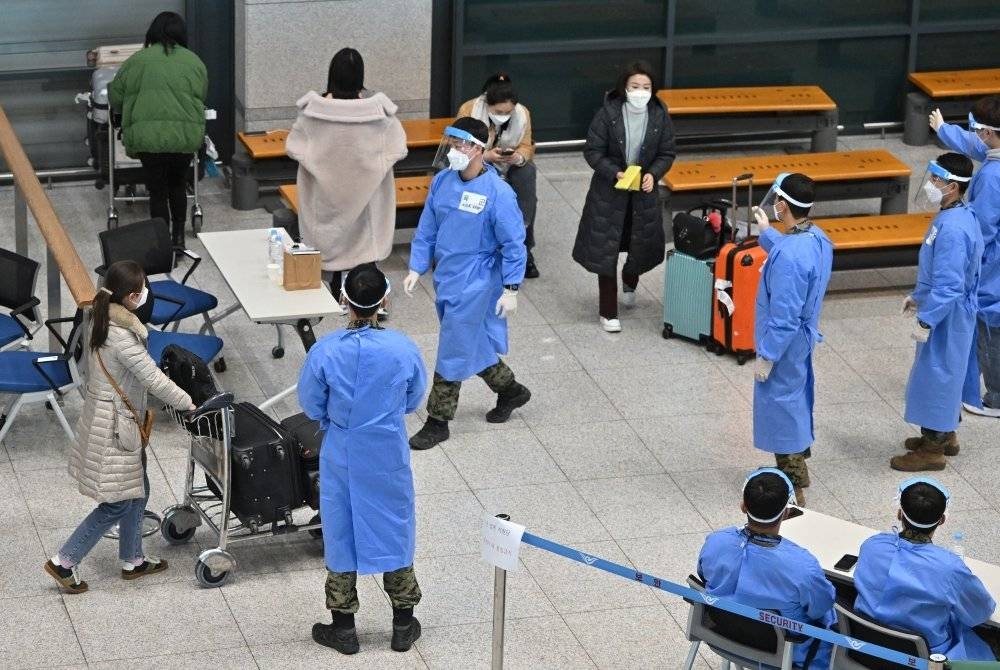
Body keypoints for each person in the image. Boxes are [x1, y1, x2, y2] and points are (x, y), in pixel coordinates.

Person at [298, 265, 427, 655]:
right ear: (384, 301)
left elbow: (310, 402)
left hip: (343, 450)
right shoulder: (403, 348)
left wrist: (337, 419)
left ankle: (344, 629)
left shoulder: (325, 352)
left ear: (343, 301)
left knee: (340, 531)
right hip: (386, 449)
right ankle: (403, 624)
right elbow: (414, 398)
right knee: (395, 526)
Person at [44, 261, 196, 594]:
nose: (146, 295)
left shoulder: (101, 316)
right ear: (129, 297)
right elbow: (153, 378)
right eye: (141, 290)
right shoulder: (123, 337)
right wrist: (189, 403)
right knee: (117, 502)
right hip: (117, 428)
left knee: (138, 489)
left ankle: (132, 559)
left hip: (107, 417)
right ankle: (64, 561)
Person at [403, 117, 529, 450]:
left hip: (479, 280)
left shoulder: (498, 193)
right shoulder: (443, 181)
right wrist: (417, 266)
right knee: (468, 339)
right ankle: (511, 390)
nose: (455, 150)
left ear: (478, 148)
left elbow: (515, 243)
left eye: (461, 144)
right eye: (452, 143)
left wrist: (511, 287)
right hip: (449, 275)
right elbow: (427, 228)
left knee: (453, 346)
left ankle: (438, 420)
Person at [287, 47, 407, 318]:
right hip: (366, 200)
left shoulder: (313, 113)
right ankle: (364, 291)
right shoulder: (379, 115)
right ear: (360, 79)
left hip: (325, 198)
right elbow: (398, 148)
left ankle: (330, 285)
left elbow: (294, 147)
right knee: (364, 241)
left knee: (327, 237)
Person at [892, 154, 983, 471]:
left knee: (938, 377)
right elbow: (937, 273)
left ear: (953, 187)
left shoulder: (954, 229)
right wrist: (918, 296)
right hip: (946, 308)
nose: (930, 185)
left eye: (937, 181)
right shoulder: (952, 215)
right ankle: (945, 434)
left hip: (947, 314)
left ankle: (932, 450)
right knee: (945, 373)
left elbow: (949, 285)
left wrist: (926, 318)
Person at [572, 60, 676, 332]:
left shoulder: (659, 114)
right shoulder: (608, 114)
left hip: (642, 192)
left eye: (646, 87)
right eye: (635, 86)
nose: (640, 91)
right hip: (609, 191)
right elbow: (593, 151)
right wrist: (615, 172)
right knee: (606, 248)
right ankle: (608, 311)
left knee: (638, 241)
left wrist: (653, 173)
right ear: (624, 88)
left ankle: (630, 283)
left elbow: (667, 152)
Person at [697, 468, 835, 669]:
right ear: (787, 512)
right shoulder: (803, 566)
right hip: (783, 654)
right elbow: (821, 607)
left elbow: (704, 576)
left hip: (722, 635)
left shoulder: (714, 542)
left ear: (743, 506)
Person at [750, 173, 833, 507]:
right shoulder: (817, 237)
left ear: (782, 204)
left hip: (783, 344)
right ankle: (796, 467)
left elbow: (784, 316)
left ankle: (793, 482)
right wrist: (767, 234)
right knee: (795, 400)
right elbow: (795, 255)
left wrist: (768, 355)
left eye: (776, 200)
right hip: (801, 339)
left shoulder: (791, 257)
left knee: (780, 408)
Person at [853, 477, 998, 660]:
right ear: (942, 520)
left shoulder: (872, 546)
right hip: (926, 658)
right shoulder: (949, 568)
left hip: (867, 648)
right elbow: (980, 612)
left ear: (899, 514)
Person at [108, 11, 207, 248]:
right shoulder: (194, 62)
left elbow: (116, 96)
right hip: (183, 138)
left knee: (157, 189)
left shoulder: (137, 61)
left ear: (152, 33)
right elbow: (201, 95)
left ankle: (162, 243)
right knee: (177, 184)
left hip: (147, 139)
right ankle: (179, 239)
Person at [931, 97, 1000, 419]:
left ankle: (995, 396)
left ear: (988, 132)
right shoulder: (992, 158)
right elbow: (978, 147)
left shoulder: (990, 177)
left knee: (990, 326)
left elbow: (984, 229)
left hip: (995, 264)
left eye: (978, 130)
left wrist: (969, 264)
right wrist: (945, 130)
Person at [458, 72, 540, 279]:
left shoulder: (522, 114)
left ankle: (522, 243)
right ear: (488, 104)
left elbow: (526, 145)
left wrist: (518, 157)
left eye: (508, 111)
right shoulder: (469, 110)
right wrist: (485, 156)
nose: (504, 115)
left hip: (507, 165)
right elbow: (458, 147)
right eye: (498, 111)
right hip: (475, 164)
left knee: (527, 173)